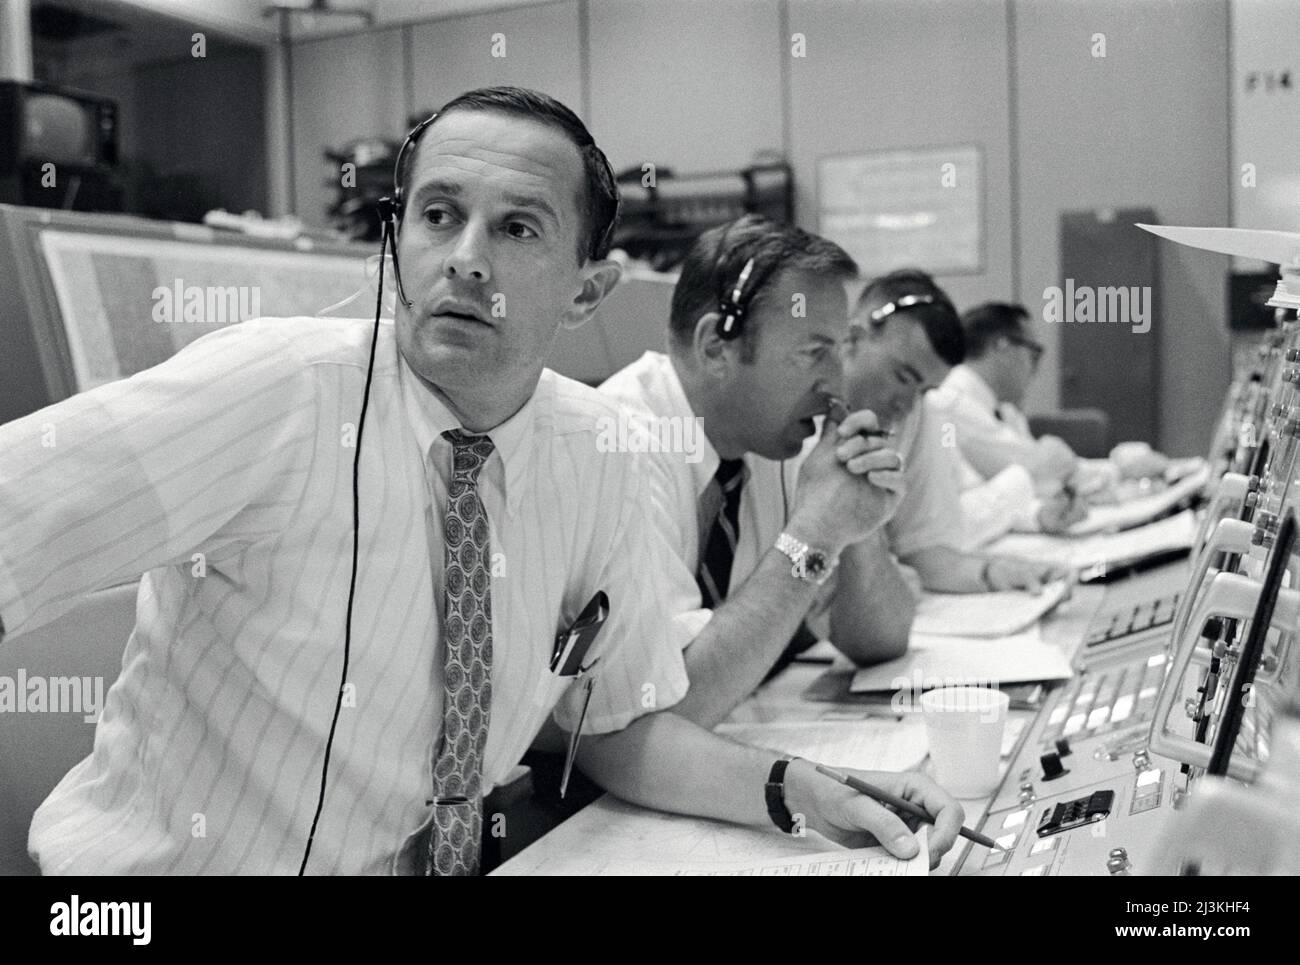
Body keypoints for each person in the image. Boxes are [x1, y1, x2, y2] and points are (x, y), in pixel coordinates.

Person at [0, 87, 961, 874]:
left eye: (517, 229)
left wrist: (797, 790)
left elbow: (616, 727)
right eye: (439, 215)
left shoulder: (597, 453)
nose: (464, 260)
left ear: (588, 290)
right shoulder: (278, 391)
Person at [600, 215, 911, 722]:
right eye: (814, 352)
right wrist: (814, 534)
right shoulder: (618, 447)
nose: (837, 384)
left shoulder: (774, 438)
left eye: (841, 351)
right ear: (715, 348)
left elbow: (881, 641)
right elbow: (667, 710)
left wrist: (857, 522)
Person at [818, 271, 1068, 664]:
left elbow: (925, 550)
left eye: (923, 390)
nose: (906, 403)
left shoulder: (916, 414)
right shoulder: (794, 420)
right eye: (902, 377)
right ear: (853, 338)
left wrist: (993, 573)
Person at [929, 301, 1175, 512]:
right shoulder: (954, 402)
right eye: (1033, 353)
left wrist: (1116, 470)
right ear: (1002, 347)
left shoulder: (1003, 407)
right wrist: (1120, 470)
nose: (1035, 369)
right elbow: (1039, 472)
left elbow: (1053, 472)